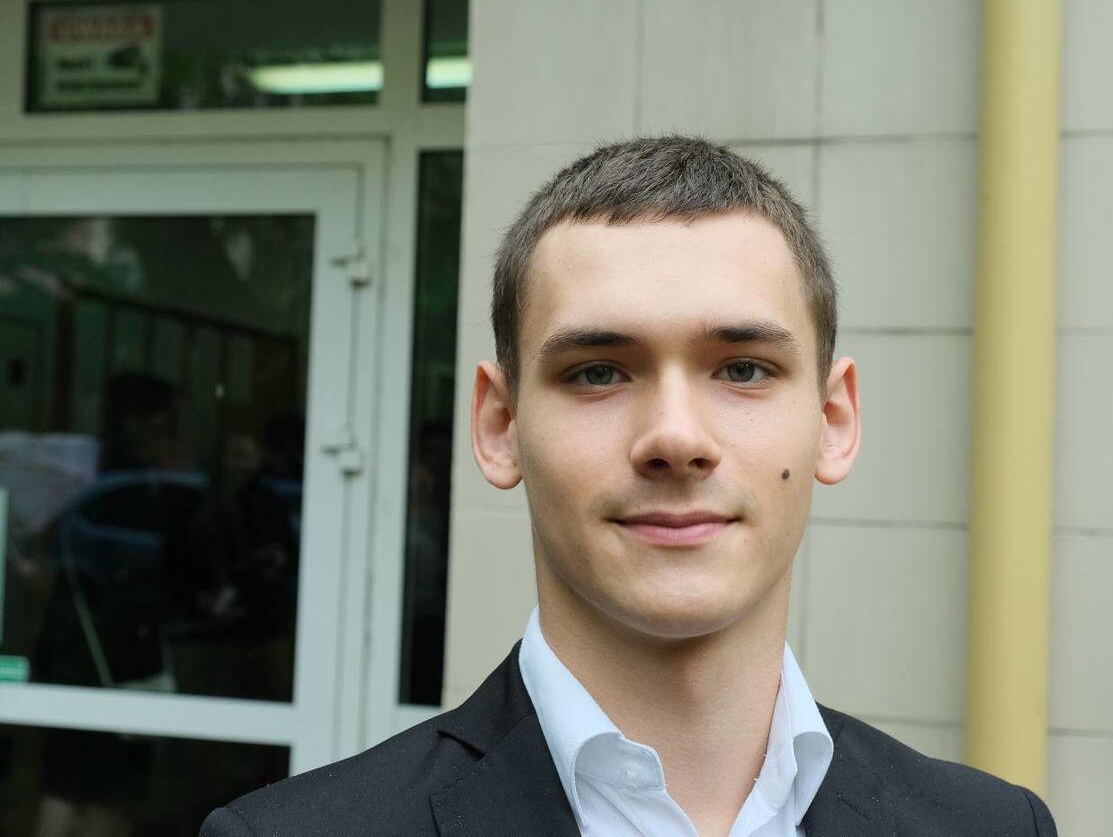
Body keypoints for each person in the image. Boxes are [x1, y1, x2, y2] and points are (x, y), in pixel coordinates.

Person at [200, 136, 1057, 836]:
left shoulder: (993, 826)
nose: (676, 438)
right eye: (599, 371)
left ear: (833, 420)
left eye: (744, 368)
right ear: (499, 426)